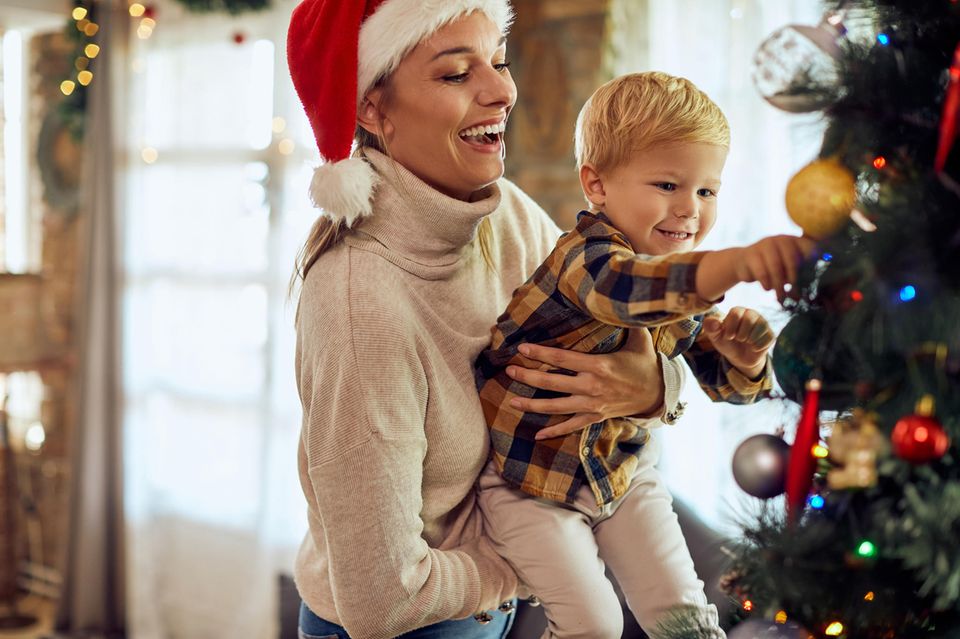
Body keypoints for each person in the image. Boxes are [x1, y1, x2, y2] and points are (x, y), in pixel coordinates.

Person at [286, 4, 690, 638]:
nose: (503, 91)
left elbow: (611, 365)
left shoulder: (506, 216)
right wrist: (551, 566)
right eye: (455, 74)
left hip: (488, 613)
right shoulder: (360, 306)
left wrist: (655, 389)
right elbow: (383, 602)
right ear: (372, 109)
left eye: (498, 62)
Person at [474, 72, 816, 639]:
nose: (689, 209)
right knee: (593, 625)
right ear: (597, 184)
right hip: (528, 485)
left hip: (623, 474)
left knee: (686, 618)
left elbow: (728, 389)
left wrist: (746, 359)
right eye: (667, 184)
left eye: (707, 191)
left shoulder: (679, 284)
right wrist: (733, 264)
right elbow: (624, 292)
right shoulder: (585, 259)